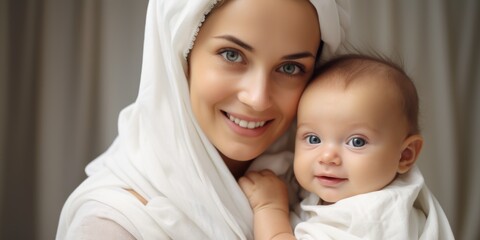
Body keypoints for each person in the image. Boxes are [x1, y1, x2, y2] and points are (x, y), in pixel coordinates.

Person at [56, 0, 349, 239]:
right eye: (232, 55)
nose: (258, 98)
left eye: (290, 68)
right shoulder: (114, 225)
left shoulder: (334, 189)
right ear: (180, 56)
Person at [239, 54, 455, 239]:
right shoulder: (355, 192)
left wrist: (269, 207)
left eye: (357, 142)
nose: (327, 157)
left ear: (405, 155)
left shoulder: (372, 216)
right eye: (313, 139)